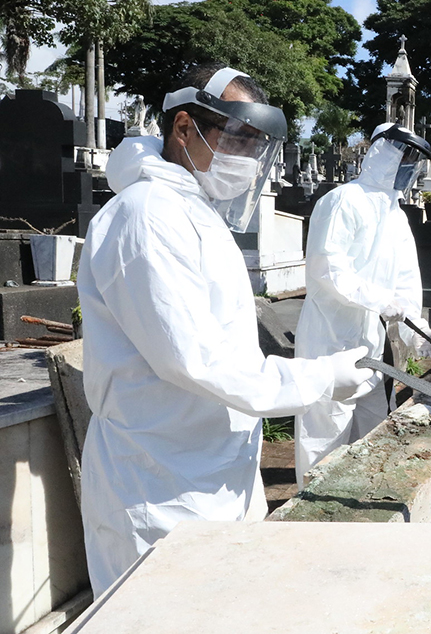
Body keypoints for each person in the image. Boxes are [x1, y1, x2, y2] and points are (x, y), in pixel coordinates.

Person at [77, 64, 375, 596]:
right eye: (237, 137)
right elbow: (197, 360)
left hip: (214, 470)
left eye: (256, 145)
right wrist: (319, 377)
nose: (247, 157)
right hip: (159, 483)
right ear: (184, 129)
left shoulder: (192, 210)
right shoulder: (145, 217)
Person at [294, 123, 431, 486]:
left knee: (373, 438)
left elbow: (407, 284)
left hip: (375, 349)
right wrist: (379, 299)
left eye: (414, 161)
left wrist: (417, 331)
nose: (407, 166)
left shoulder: (395, 215)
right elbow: (326, 267)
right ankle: (312, 518)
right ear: (381, 153)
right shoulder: (343, 200)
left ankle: (361, 514)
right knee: (325, 434)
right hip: (331, 342)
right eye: (402, 155)